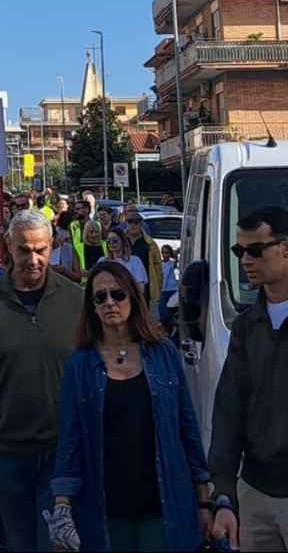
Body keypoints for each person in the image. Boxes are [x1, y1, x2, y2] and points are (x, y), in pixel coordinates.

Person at [48, 261, 210, 553]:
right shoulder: (80, 365)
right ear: (92, 307)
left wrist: (203, 500)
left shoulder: (165, 355)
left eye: (118, 294)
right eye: (100, 297)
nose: (110, 302)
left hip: (164, 502)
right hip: (105, 507)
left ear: (133, 299)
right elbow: (69, 440)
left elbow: (188, 428)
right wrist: (62, 507)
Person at [0, 209, 82, 552]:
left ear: (52, 246)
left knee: (57, 545)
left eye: (41, 249)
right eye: (24, 249)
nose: (33, 259)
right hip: (6, 455)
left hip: (62, 454)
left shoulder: (77, 301)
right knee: (21, 543)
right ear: (8, 248)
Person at [210, 206, 288, 552]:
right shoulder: (246, 325)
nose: (245, 260)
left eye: (255, 250)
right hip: (255, 491)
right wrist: (224, 493)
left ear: (285, 248)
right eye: (239, 251)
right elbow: (229, 409)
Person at [125, 210, 163, 303]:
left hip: (143, 288)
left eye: (136, 222)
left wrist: (158, 286)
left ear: (141, 224)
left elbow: (158, 266)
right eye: (130, 222)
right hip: (124, 285)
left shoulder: (150, 243)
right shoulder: (121, 241)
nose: (133, 225)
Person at [105, 229, 148, 300]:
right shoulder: (103, 261)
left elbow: (141, 288)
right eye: (108, 241)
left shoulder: (135, 261)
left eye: (115, 240)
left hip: (131, 301)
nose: (111, 243)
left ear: (123, 241)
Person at [68, 199, 92, 270]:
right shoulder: (72, 225)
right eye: (75, 209)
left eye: (78, 209)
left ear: (87, 210)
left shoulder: (95, 226)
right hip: (76, 265)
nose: (76, 211)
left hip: (90, 263)